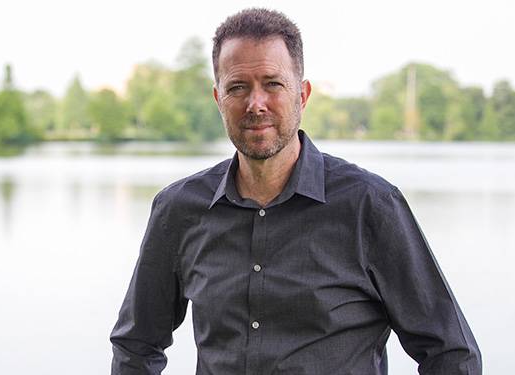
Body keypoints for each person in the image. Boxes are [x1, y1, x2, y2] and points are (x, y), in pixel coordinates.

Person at [110, 8, 481, 375]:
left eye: (273, 83)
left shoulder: (370, 205)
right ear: (218, 98)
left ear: (302, 94)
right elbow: (136, 347)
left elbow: (452, 355)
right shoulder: (179, 209)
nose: (256, 104)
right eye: (237, 87)